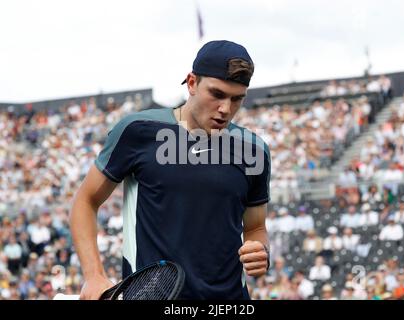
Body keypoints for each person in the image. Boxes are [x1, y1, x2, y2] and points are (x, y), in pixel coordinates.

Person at [70, 40, 271, 300]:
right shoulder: (138, 130)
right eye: (217, 94)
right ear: (191, 83)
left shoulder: (253, 149)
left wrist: (259, 250)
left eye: (237, 99)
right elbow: (86, 201)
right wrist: (93, 275)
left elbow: (255, 227)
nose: (225, 109)